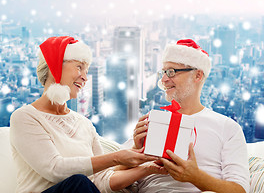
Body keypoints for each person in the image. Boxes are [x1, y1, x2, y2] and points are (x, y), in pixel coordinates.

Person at [10, 36, 167, 193]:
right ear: (55, 66)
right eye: (79, 67)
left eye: (86, 71)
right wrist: (117, 157)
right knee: (79, 182)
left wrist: (149, 168)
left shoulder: (84, 123)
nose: (85, 78)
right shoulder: (25, 117)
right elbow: (55, 170)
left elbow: (101, 181)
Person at [133, 39, 250, 193]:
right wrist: (136, 148)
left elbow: (240, 190)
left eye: (171, 72)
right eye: (163, 73)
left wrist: (195, 177)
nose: (163, 80)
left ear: (198, 76)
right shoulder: (153, 122)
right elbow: (112, 173)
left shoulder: (227, 127)